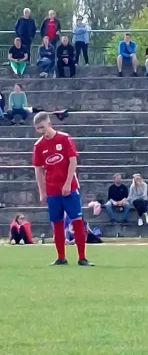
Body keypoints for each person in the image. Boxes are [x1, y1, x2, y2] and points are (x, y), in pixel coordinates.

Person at [32, 112, 93, 266]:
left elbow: (73, 162)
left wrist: (67, 183)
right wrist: (42, 191)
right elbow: (38, 169)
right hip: (52, 190)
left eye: (42, 127)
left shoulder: (64, 138)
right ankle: (61, 257)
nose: (41, 131)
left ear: (49, 123)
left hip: (70, 188)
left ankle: (82, 257)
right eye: (38, 129)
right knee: (56, 223)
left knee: (77, 221)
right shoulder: (39, 146)